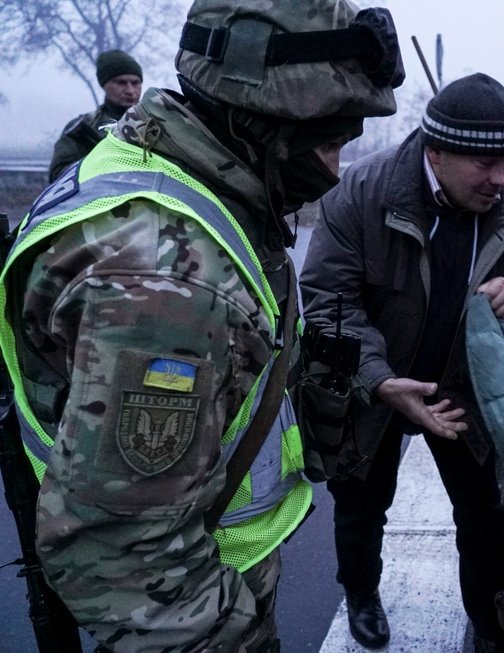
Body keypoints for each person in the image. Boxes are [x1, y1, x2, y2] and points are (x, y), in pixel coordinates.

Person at [0, 1, 403, 651]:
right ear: (260, 120)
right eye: (328, 143)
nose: (335, 171)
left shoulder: (184, 175)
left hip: (210, 557)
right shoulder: (166, 282)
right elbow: (128, 564)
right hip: (201, 603)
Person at [299, 72, 504, 652]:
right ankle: (361, 592)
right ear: (434, 151)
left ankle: (493, 625)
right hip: (375, 387)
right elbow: (327, 301)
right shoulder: (360, 192)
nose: (502, 179)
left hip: (461, 385)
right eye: (485, 164)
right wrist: (379, 380)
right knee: (361, 504)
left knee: (482, 512)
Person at [48, 49, 143, 182]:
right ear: (104, 85)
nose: (130, 91)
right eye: (121, 83)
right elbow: (58, 176)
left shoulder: (155, 124)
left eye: (135, 83)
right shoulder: (82, 129)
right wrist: (99, 164)